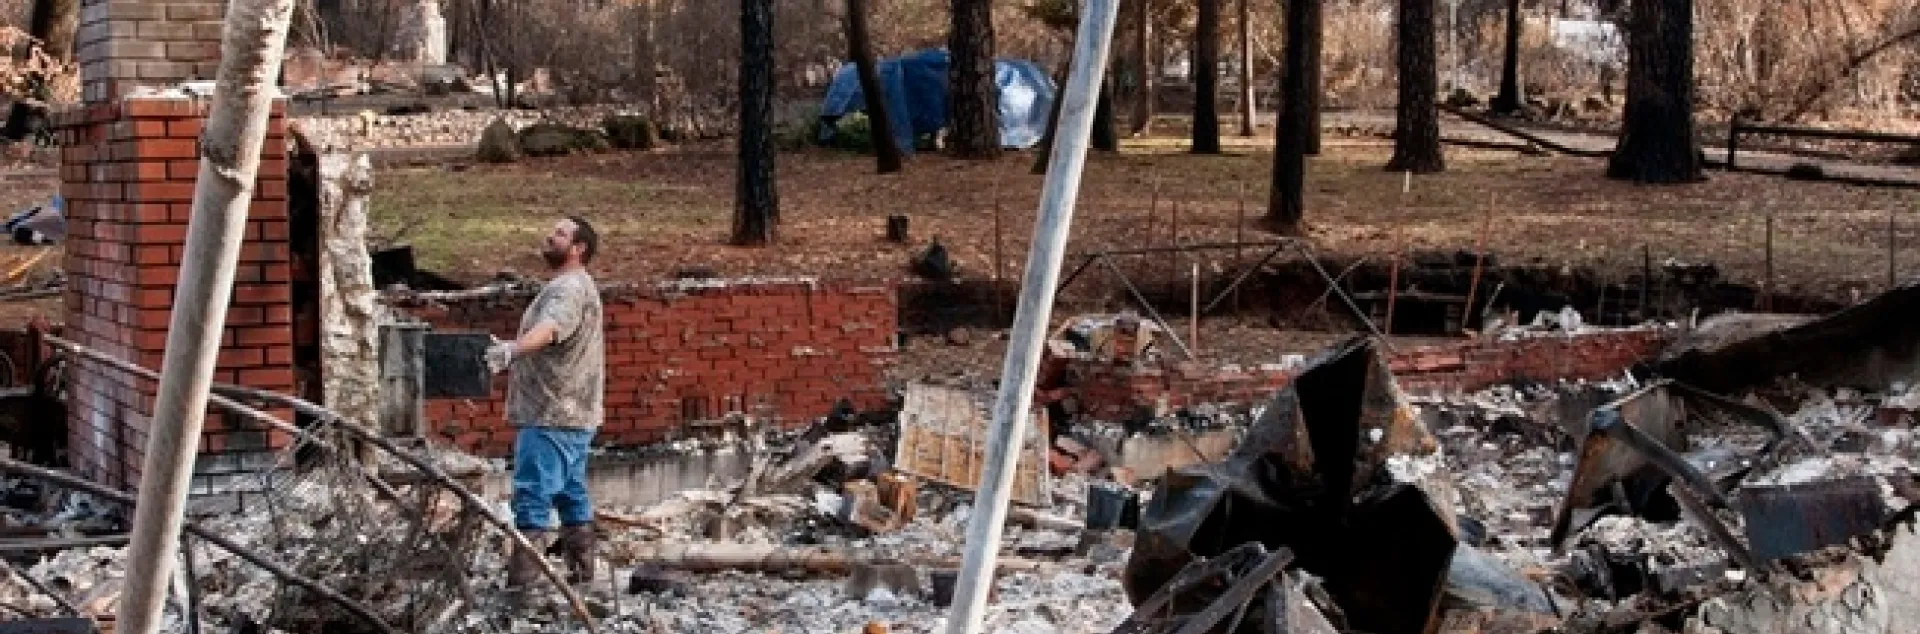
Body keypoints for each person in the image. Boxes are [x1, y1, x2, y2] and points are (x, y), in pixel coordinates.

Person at [486, 216, 606, 589]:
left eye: (559, 234)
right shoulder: (578, 286)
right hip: (576, 412)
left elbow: (550, 329)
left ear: (578, 248)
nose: (548, 237)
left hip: (552, 412)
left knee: (533, 495)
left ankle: (522, 591)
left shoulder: (568, 290)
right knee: (571, 493)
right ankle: (583, 578)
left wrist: (512, 350)